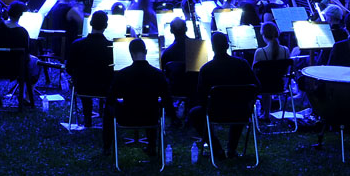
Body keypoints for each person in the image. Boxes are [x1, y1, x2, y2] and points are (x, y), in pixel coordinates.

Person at [189, 31, 258, 159]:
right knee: (239, 106)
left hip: (215, 112)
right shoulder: (242, 64)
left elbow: (201, 97)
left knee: (194, 113)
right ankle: (232, 149)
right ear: (227, 46)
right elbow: (256, 87)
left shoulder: (206, 69)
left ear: (212, 47)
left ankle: (217, 149)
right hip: (241, 111)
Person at [105, 38, 177, 157]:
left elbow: (110, 99)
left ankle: (107, 146)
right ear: (146, 51)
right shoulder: (158, 74)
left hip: (126, 118)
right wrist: (173, 117)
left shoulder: (122, 74)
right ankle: (152, 145)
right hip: (151, 118)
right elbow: (167, 99)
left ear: (131, 53)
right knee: (152, 105)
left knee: (108, 109)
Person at [67, 10, 113, 131]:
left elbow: (69, 68)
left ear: (91, 23)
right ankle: (108, 119)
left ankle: (87, 119)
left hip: (82, 87)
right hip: (105, 88)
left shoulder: (77, 44)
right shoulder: (111, 46)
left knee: (85, 81)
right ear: (106, 25)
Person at [0, 1, 40, 100]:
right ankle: (27, 97)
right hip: (16, 69)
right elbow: (26, 57)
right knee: (35, 62)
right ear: (21, 15)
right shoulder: (22, 32)